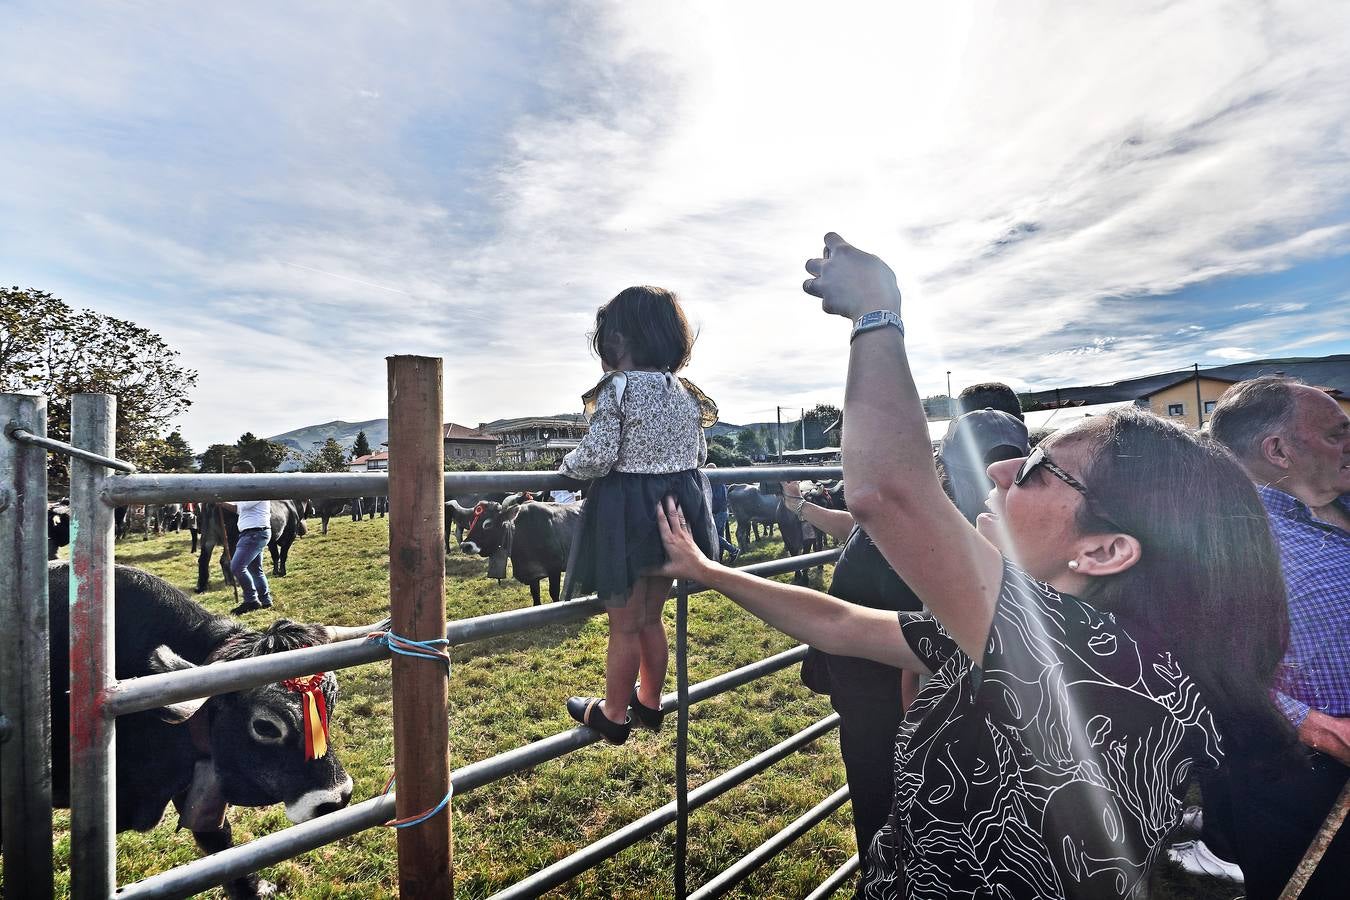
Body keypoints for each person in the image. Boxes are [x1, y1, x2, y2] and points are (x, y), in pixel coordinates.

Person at [653, 233, 1295, 899]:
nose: (1002, 468)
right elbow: (842, 623)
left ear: (1106, 551)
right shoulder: (1045, 637)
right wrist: (709, 569)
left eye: (1043, 469)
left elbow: (885, 494)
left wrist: (877, 311)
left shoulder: (1098, 658)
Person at [788, 408, 1029, 895]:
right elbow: (857, 529)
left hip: (893, 694)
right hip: (886, 686)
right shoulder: (948, 514)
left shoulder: (940, 521)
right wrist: (800, 509)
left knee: (890, 809)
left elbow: (906, 628)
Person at [1208, 375, 1350, 898]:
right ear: (1278, 450)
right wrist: (1322, 729)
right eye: (1338, 433)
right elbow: (1194, 664)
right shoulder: (1221, 539)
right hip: (1304, 780)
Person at [558, 285, 720, 745]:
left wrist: (568, 467)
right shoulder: (685, 393)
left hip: (625, 518)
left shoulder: (620, 389)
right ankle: (650, 701)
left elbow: (600, 453)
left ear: (620, 341)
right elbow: (700, 451)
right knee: (651, 616)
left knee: (624, 622)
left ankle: (612, 713)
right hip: (673, 515)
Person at [219, 461, 274, 615]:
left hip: (254, 534)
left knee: (237, 567)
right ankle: (266, 600)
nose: (232, 476)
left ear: (246, 473)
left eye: (235, 472)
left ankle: (251, 600)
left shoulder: (256, 489)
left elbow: (238, 508)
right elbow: (237, 506)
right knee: (256, 570)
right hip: (252, 533)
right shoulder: (247, 490)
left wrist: (220, 502)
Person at [706, 463, 740, 563]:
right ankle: (719, 559)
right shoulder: (721, 482)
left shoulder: (713, 484)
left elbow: (715, 500)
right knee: (720, 535)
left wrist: (712, 511)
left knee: (714, 535)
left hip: (718, 513)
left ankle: (733, 550)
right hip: (724, 511)